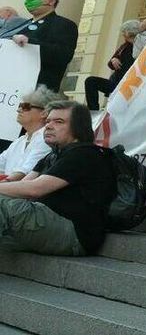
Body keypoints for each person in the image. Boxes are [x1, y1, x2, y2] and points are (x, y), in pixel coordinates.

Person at [0, 100, 115, 256]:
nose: (48, 126)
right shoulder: (52, 156)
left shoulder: (84, 154)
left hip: (72, 234)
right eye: (48, 121)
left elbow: (35, 189)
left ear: (78, 127)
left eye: (59, 122)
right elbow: (22, 185)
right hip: (44, 224)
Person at [0, 0, 79, 92]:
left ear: (51, 0)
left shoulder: (63, 24)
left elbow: (63, 55)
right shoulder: (23, 24)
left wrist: (30, 42)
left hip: (35, 93)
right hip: (8, 87)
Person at [0, 86, 62, 182]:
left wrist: (4, 183)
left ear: (44, 113)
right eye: (19, 106)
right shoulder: (19, 141)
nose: (19, 110)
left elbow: (24, 173)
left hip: (21, 194)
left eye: (25, 106)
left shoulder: (46, 139)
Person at [84, 20, 140, 111]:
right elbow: (110, 64)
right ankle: (93, 111)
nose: (123, 35)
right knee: (90, 81)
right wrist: (114, 60)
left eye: (124, 32)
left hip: (131, 83)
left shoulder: (140, 44)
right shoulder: (124, 46)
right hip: (116, 82)